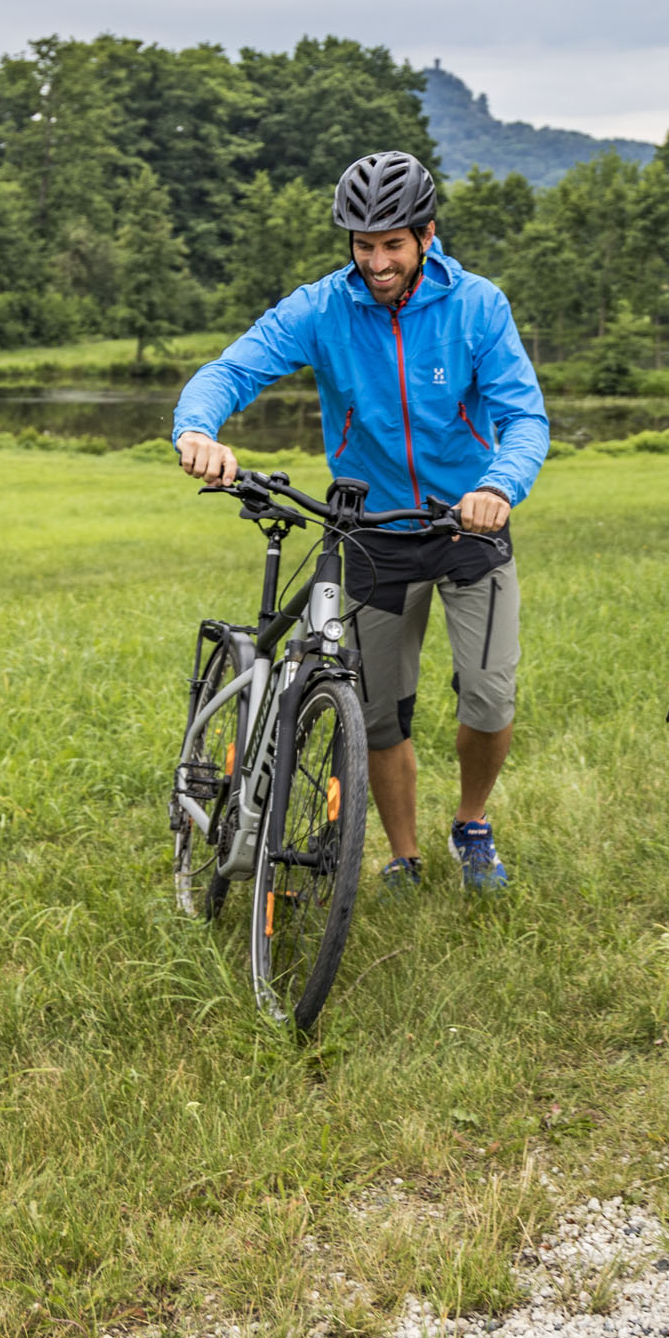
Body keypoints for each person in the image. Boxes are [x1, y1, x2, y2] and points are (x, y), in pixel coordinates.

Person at [174, 151, 550, 889]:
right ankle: (403, 855)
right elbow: (233, 369)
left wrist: (500, 485)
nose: (376, 261)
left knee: (489, 694)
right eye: (363, 244)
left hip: (468, 526)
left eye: (392, 245)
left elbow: (523, 416)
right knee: (378, 716)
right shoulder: (321, 308)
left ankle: (472, 821)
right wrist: (197, 427)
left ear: (426, 236)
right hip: (372, 535)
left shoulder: (477, 306)